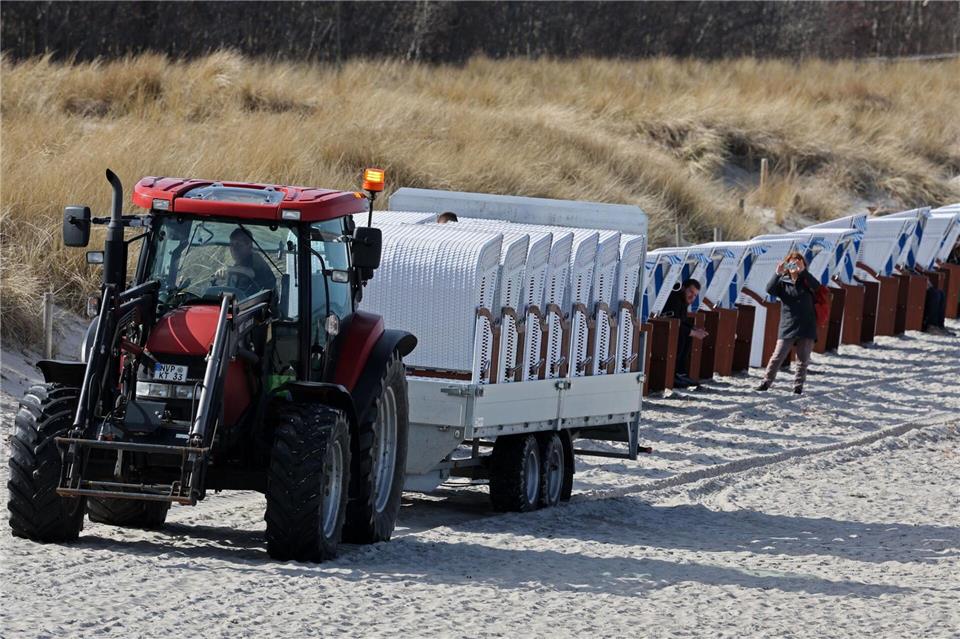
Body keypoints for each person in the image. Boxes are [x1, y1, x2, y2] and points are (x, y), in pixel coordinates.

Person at [756, 251, 820, 395]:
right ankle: (766, 382)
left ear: (803, 264)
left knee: (803, 359)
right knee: (777, 356)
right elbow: (770, 290)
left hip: (807, 324)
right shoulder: (783, 282)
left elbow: (817, 286)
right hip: (788, 324)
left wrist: (803, 272)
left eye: (797, 262)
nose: (794, 265)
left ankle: (798, 387)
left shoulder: (807, 280)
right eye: (791, 262)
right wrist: (777, 273)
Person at [660, 278, 708, 388]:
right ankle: (676, 374)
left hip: (670, 330)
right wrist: (693, 332)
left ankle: (680, 373)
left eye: (695, 295)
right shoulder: (674, 299)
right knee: (684, 334)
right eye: (691, 292)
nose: (692, 296)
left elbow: (682, 321)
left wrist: (695, 329)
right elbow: (675, 323)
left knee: (688, 333)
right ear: (683, 288)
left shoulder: (683, 301)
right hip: (663, 333)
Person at [216, 227, 277, 297]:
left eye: (238, 244)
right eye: (231, 244)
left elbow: (251, 273)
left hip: (262, 305)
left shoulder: (256, 259)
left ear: (249, 245)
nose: (234, 248)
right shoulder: (237, 265)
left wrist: (228, 269)